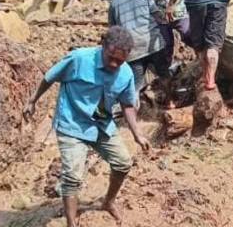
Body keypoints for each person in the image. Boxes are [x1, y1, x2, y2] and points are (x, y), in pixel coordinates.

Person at [22, 27, 151, 227]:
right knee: (72, 176)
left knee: (123, 163)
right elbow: (49, 77)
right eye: (111, 58)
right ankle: (71, 223)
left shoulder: (125, 73)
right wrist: (32, 101)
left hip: (101, 125)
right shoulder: (79, 59)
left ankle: (108, 202)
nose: (114, 64)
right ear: (103, 46)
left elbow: (127, 105)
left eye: (120, 61)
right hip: (72, 124)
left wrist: (137, 134)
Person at [108, 0, 169, 97]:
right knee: (164, 75)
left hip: (133, 50)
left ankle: (134, 107)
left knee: (135, 87)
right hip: (153, 43)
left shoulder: (114, 2)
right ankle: (170, 102)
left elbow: (114, 31)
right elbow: (157, 15)